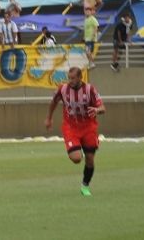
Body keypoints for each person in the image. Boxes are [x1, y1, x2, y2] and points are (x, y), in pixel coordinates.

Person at [45, 67, 105, 196]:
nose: (70, 81)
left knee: (90, 159)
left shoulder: (90, 89)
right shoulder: (63, 89)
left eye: (73, 78)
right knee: (76, 158)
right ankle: (78, 147)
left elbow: (102, 107)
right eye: (69, 78)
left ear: (80, 77)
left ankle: (85, 186)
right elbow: (53, 103)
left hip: (89, 127)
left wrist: (97, 110)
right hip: (71, 127)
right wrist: (49, 118)